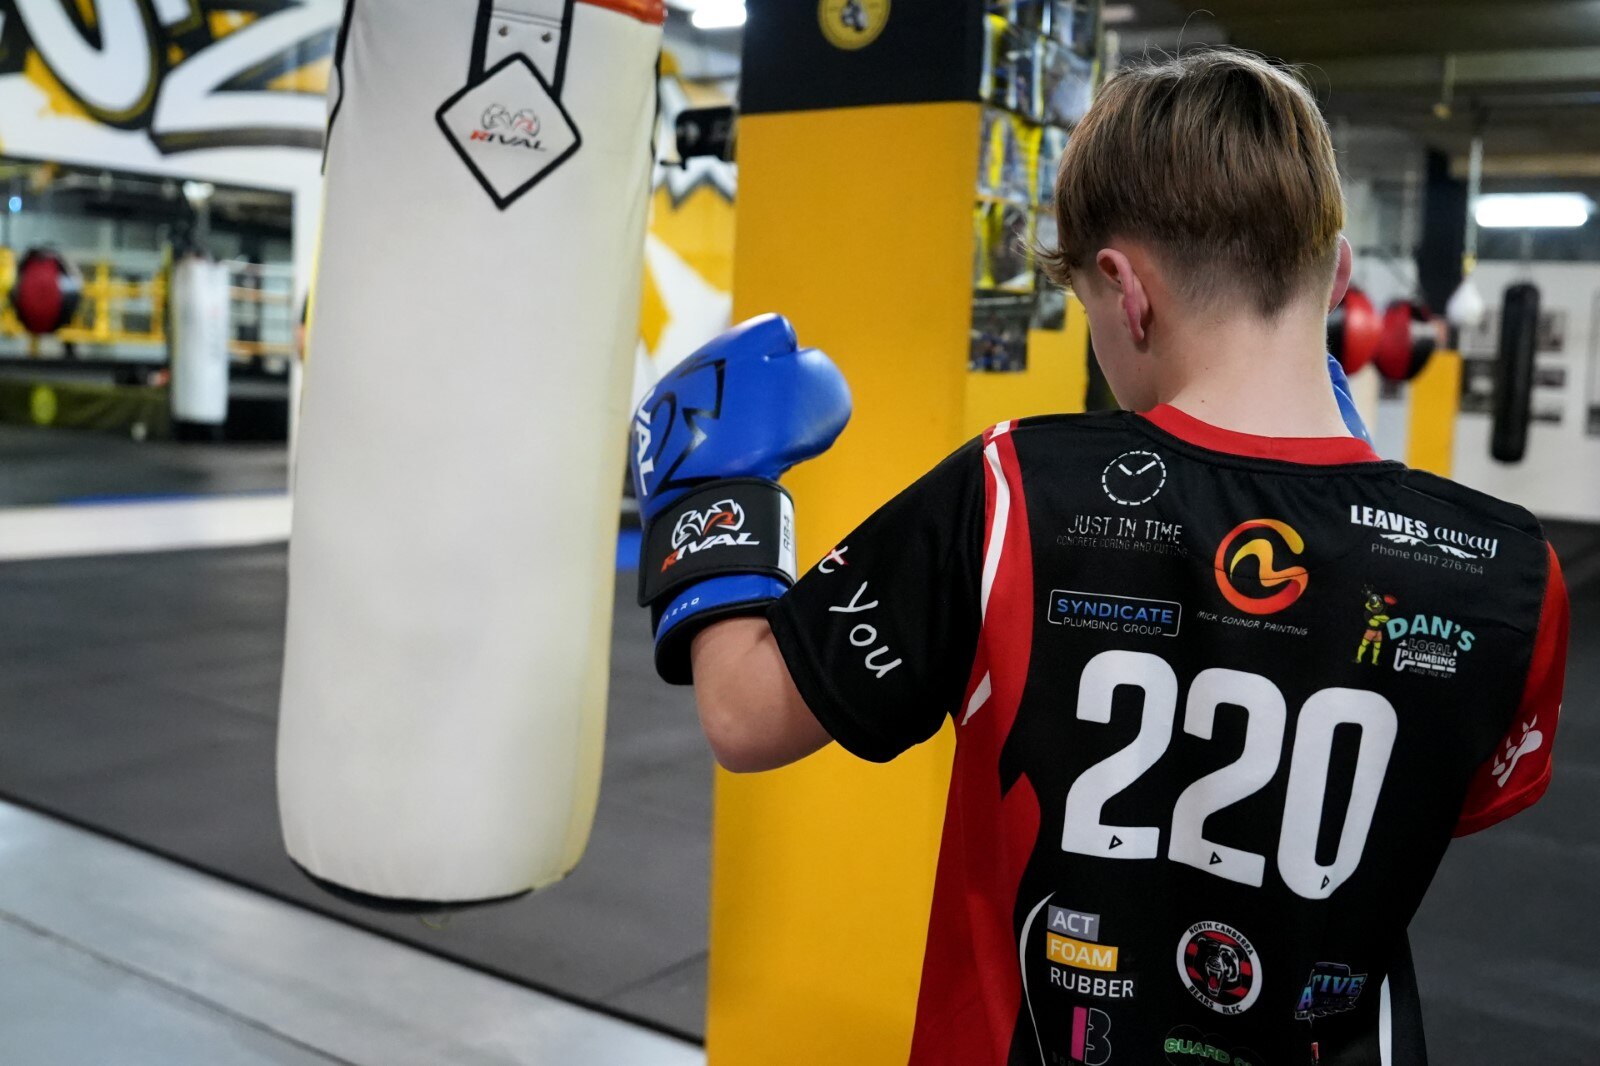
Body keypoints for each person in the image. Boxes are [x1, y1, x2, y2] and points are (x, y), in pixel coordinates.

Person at [631, 49, 1569, 1066]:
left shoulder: (1010, 493)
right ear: (1335, 270)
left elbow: (746, 713)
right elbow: (1445, 798)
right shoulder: (1508, 570)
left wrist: (709, 485)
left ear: (1125, 291)